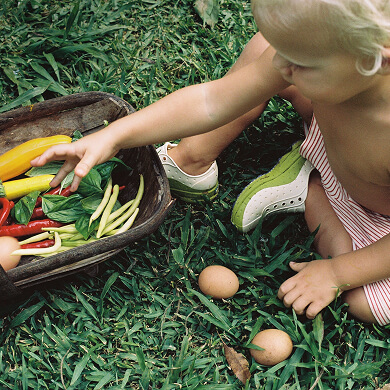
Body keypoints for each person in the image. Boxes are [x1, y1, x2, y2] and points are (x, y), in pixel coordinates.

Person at [31, 0, 390, 325]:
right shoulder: (334, 64)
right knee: (261, 51)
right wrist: (113, 135)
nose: (281, 64)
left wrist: (337, 272)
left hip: (378, 218)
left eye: (301, 61)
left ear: (380, 58)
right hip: (330, 138)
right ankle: (193, 161)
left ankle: (313, 191)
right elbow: (211, 101)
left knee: (364, 303)